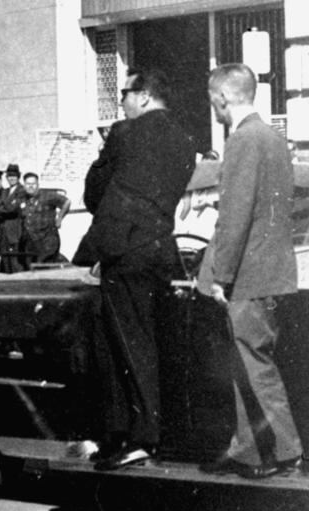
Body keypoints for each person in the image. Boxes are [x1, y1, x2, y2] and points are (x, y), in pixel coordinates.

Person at [77, 68, 195, 471]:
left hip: (124, 249)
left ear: (143, 96)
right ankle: (148, 429)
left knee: (126, 343)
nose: (122, 102)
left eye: (125, 93)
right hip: (161, 246)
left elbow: (93, 193)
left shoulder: (125, 133)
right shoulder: (185, 140)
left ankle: (138, 435)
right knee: (151, 339)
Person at [197, 63, 304, 479]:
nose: (215, 111)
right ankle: (252, 452)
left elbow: (235, 216)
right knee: (250, 362)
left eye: (214, 103)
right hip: (272, 270)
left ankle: (284, 450)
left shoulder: (242, 141)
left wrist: (220, 276)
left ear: (222, 97)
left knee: (254, 364)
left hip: (248, 275)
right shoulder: (274, 139)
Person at [19, 172, 71, 264]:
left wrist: (59, 219)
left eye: (33, 184)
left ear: (38, 185)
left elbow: (66, 202)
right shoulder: (23, 198)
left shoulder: (47, 195)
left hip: (47, 241)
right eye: (28, 184)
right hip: (31, 242)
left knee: (45, 268)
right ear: (24, 185)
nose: (31, 186)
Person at [0, 164, 27, 272]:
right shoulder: (4, 191)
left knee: (15, 263)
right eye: (9, 176)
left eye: (14, 175)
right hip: (3, 232)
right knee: (5, 262)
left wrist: (4, 206)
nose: (11, 178)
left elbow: (13, 209)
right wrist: (5, 207)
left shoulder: (22, 191)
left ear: (18, 177)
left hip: (15, 232)